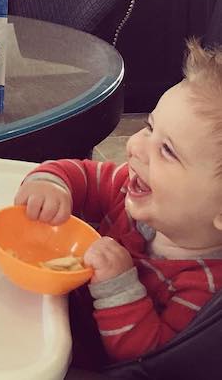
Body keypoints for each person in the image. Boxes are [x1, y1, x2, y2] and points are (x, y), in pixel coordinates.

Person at [14, 38, 222, 369]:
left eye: (166, 150)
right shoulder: (133, 186)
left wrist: (119, 284)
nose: (136, 146)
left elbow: (146, 361)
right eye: (149, 127)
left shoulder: (204, 290)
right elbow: (82, 174)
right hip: (41, 314)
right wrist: (51, 185)